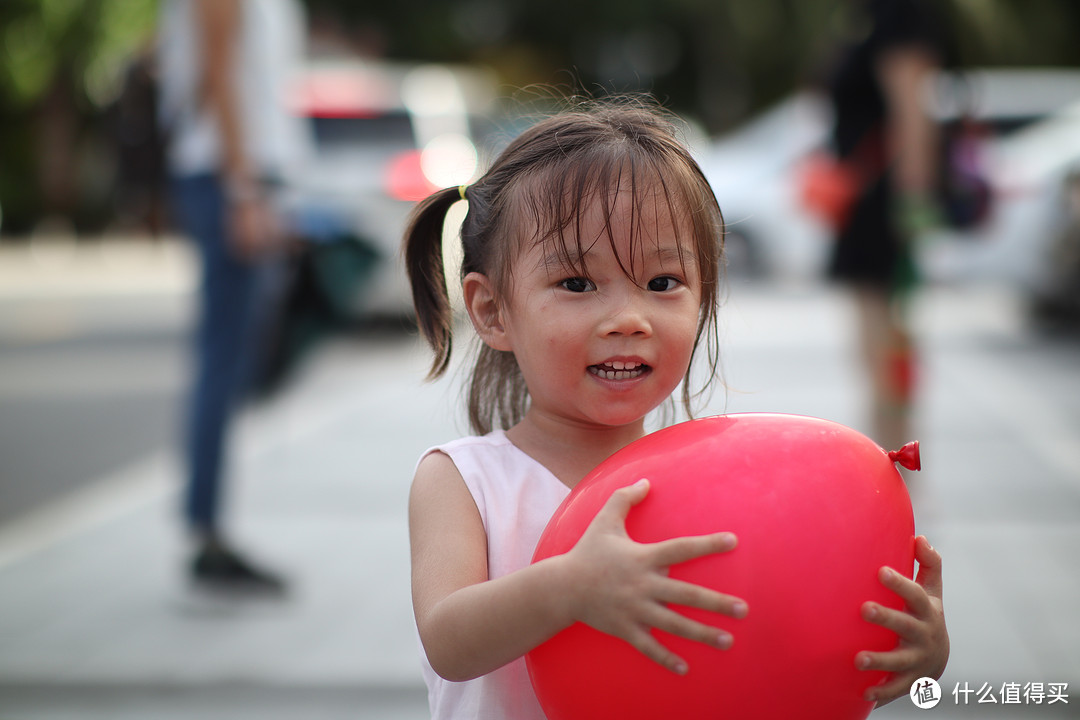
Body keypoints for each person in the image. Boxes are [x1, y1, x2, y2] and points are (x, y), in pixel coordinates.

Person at [403, 100, 949, 719]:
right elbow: (448, 640)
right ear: (492, 310)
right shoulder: (464, 480)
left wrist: (912, 657)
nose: (629, 320)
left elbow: (755, 643)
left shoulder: (712, 488)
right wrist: (570, 586)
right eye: (578, 284)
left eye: (663, 283)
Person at [157, 0, 310, 594]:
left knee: (240, 360)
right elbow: (216, 73)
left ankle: (209, 528)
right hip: (228, 179)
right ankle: (207, 536)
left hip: (244, 177)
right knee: (223, 362)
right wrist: (245, 191)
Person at [824, 0, 946, 453]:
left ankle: (893, 465)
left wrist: (912, 201)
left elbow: (913, 114)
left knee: (886, 352)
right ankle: (890, 461)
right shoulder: (873, 15)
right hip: (864, 205)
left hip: (883, 208)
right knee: (876, 352)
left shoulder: (900, 14)